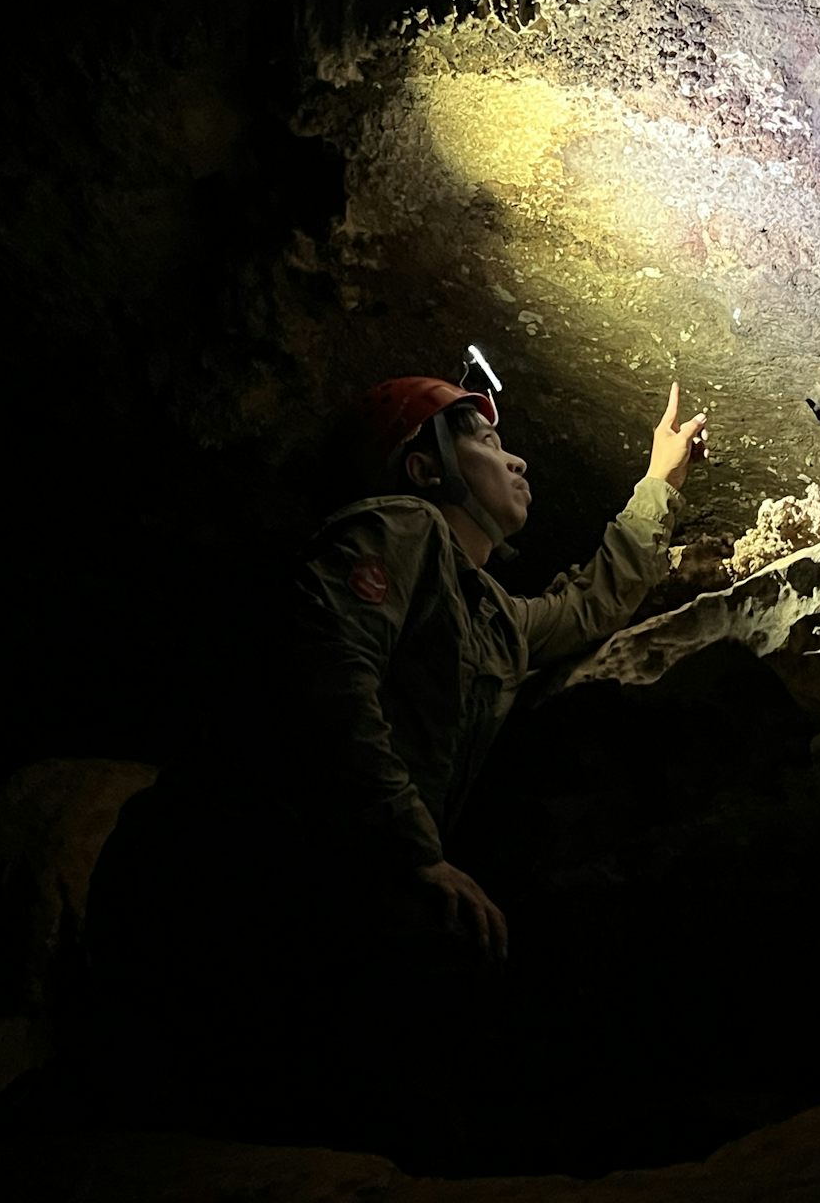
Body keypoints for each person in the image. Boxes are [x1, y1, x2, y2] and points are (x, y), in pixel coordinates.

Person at [73, 375, 709, 1163]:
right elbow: (328, 674)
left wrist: (656, 486)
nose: (517, 463)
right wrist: (417, 851)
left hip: (329, 882)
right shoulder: (395, 528)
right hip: (237, 877)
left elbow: (587, 606)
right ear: (423, 468)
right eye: (484, 442)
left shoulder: (489, 614)